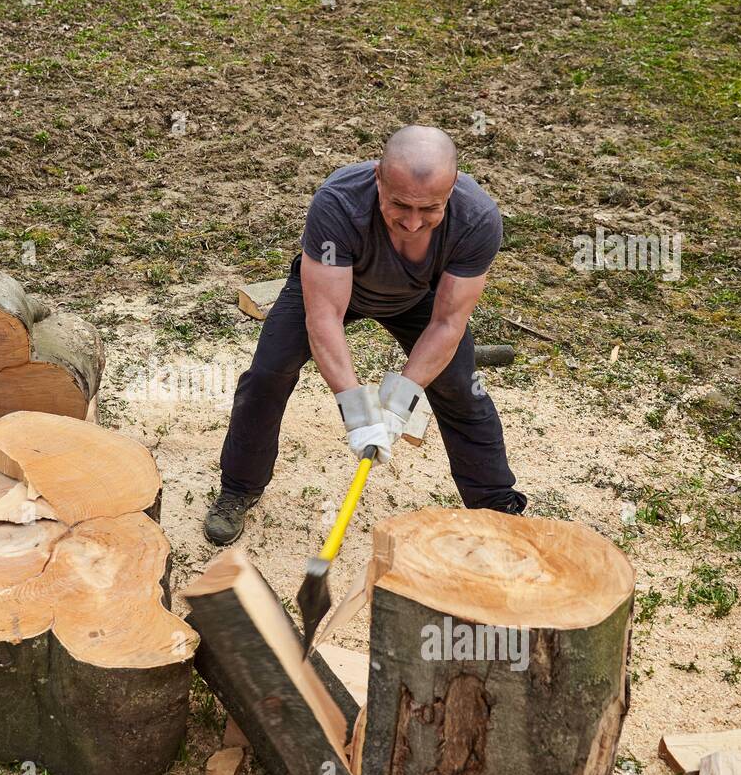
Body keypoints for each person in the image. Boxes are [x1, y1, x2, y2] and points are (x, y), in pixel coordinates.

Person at [204, 125, 527, 545]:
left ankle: (495, 507)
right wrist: (358, 412)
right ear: (378, 177)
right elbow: (324, 318)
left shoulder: (477, 219)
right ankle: (239, 487)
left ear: (451, 189)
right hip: (335, 288)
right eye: (399, 205)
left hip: (420, 299)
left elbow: (448, 322)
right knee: (269, 372)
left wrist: (399, 403)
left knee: (461, 389)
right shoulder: (338, 202)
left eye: (430, 209)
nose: (413, 223)